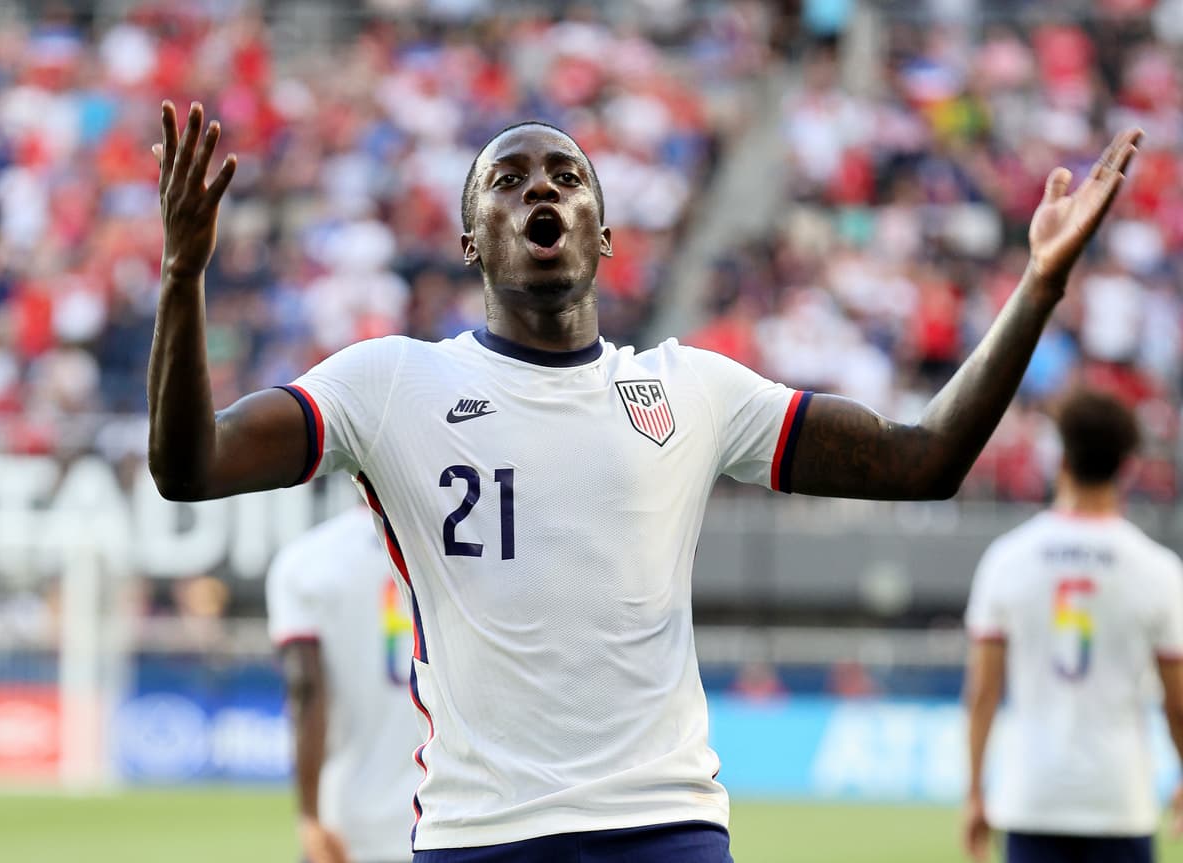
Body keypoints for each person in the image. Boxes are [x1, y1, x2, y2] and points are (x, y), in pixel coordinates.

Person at [149, 98, 1140, 861]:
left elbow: (924, 459)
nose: (539, 189)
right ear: (469, 242)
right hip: (477, 833)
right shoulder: (390, 382)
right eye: (506, 179)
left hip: (662, 826)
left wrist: (1038, 284)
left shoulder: (688, 389)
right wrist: (183, 279)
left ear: (603, 233)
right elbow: (190, 465)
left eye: (565, 175)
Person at [962, 389, 1183, 863]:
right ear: (1127, 466)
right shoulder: (1157, 569)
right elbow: (1178, 702)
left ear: (1061, 459)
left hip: (1032, 798)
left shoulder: (1008, 559)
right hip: (1119, 801)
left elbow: (983, 691)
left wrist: (975, 793)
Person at [267, 503, 419, 863]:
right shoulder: (463, 548)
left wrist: (308, 815)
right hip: (452, 816)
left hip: (352, 823)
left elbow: (305, 689)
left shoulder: (307, 561)